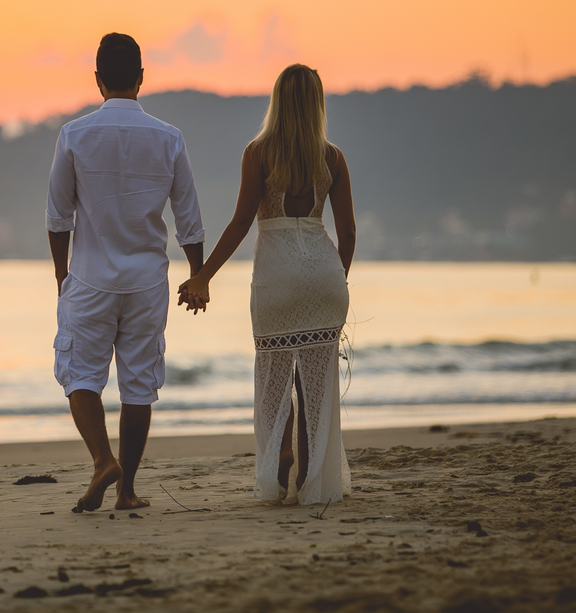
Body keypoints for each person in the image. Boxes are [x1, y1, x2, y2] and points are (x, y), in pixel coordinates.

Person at [179, 63, 355, 505]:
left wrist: (203, 275)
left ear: (277, 101)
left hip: (276, 277)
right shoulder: (332, 158)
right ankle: (310, 481)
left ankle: (281, 452)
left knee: (275, 378)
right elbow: (349, 232)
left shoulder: (258, 153)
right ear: (317, 103)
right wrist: (337, 280)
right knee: (316, 388)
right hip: (324, 275)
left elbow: (242, 222)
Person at [46, 32, 205, 512]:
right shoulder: (168, 137)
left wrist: (62, 276)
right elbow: (189, 218)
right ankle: (127, 489)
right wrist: (198, 274)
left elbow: (58, 217)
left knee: (80, 374)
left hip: (89, 278)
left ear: (98, 80)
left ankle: (102, 460)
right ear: (140, 78)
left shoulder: (74, 135)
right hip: (147, 281)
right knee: (139, 384)